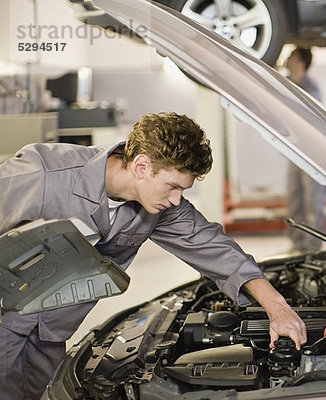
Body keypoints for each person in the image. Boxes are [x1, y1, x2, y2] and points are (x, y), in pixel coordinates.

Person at [0, 112, 307, 400]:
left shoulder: (160, 208)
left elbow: (216, 249)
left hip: (52, 333)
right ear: (142, 166)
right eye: (172, 186)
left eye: (182, 191)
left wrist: (277, 307)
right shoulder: (43, 175)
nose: (176, 200)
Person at [284, 46, 326, 252]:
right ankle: (298, 246)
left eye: (291, 55)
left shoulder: (311, 89)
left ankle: (313, 249)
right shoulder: (285, 83)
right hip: (295, 152)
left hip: (313, 154)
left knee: (313, 203)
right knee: (294, 200)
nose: (287, 58)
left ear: (301, 63)